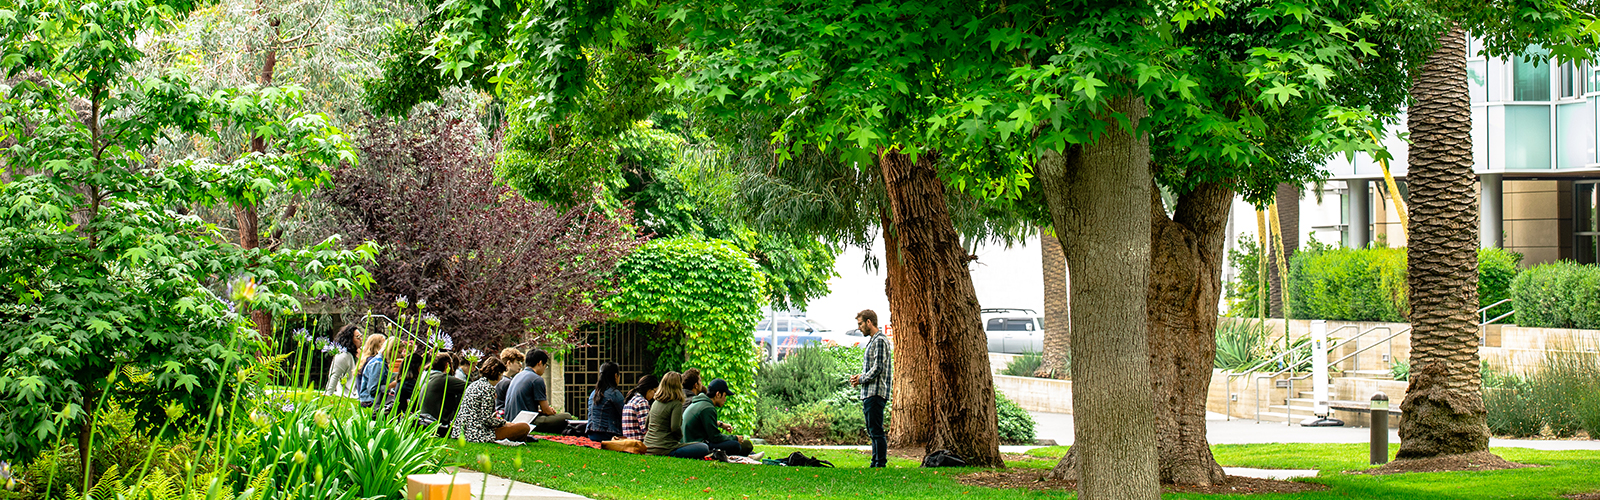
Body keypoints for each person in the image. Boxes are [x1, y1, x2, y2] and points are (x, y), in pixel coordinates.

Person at [450, 356, 531, 443]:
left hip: (461, 431)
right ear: (498, 374)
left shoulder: (474, 385)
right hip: (477, 433)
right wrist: (504, 423)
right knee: (524, 427)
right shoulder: (488, 389)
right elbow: (487, 420)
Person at [850, 309, 891, 468]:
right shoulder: (873, 340)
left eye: (860, 324)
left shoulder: (880, 340)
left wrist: (862, 379)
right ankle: (875, 462)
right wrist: (860, 378)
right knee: (872, 430)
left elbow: (878, 368)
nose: (859, 328)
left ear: (869, 322)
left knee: (876, 431)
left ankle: (880, 463)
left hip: (876, 392)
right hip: (869, 392)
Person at [643, 372, 710, 458]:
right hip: (666, 448)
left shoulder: (656, 402)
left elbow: (647, 424)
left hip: (648, 447)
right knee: (704, 447)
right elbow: (675, 427)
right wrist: (679, 438)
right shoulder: (676, 404)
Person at [504, 348, 570, 430]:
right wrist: (550, 411)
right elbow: (546, 410)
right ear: (540, 363)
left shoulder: (517, 376)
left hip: (511, 420)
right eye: (545, 366)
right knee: (567, 416)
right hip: (526, 422)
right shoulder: (536, 379)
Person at [682, 378, 748, 456]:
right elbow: (715, 437)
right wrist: (735, 438)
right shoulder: (708, 408)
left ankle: (749, 454)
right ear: (718, 394)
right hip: (697, 446)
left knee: (737, 444)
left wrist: (721, 424)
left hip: (688, 443)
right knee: (735, 445)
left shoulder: (700, 402)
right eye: (725, 395)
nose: (725, 399)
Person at [419, 352, 468, 435]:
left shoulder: (427, 375)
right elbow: (471, 387)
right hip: (437, 425)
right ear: (447, 365)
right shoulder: (443, 379)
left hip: (424, 420)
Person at [586, 362, 627, 442]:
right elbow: (624, 413)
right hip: (608, 434)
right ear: (616, 376)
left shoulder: (593, 393)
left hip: (591, 434)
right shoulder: (614, 393)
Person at [381, 351, 428, 418]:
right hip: (404, 418)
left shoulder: (402, 380)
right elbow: (418, 403)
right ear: (417, 367)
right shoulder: (409, 383)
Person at [324, 323, 361, 397]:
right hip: (349, 395)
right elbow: (335, 376)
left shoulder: (360, 353)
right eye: (357, 337)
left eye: (361, 336)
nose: (361, 339)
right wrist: (327, 395)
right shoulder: (343, 356)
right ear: (350, 339)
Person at [620, 374, 659, 440]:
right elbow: (646, 429)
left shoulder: (630, 400)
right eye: (655, 391)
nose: (654, 395)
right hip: (639, 444)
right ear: (649, 390)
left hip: (629, 443)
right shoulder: (642, 402)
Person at [355, 333, 388, 407]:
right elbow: (372, 388)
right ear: (377, 345)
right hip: (369, 399)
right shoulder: (375, 362)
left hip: (363, 397)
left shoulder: (365, 359)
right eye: (383, 344)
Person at [495, 348, 524, 412]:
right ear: (509, 363)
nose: (520, 365)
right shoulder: (507, 382)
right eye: (517, 362)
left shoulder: (500, 379)